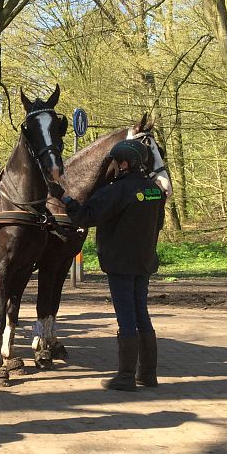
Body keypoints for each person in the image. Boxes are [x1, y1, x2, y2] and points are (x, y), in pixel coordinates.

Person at [54, 139, 165, 391]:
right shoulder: (154, 190)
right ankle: (148, 374)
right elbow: (158, 224)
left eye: (114, 162)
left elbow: (85, 216)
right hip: (144, 261)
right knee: (141, 314)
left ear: (124, 164)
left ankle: (126, 376)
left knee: (126, 317)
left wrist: (62, 195)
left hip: (120, 262)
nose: (111, 166)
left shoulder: (116, 190)